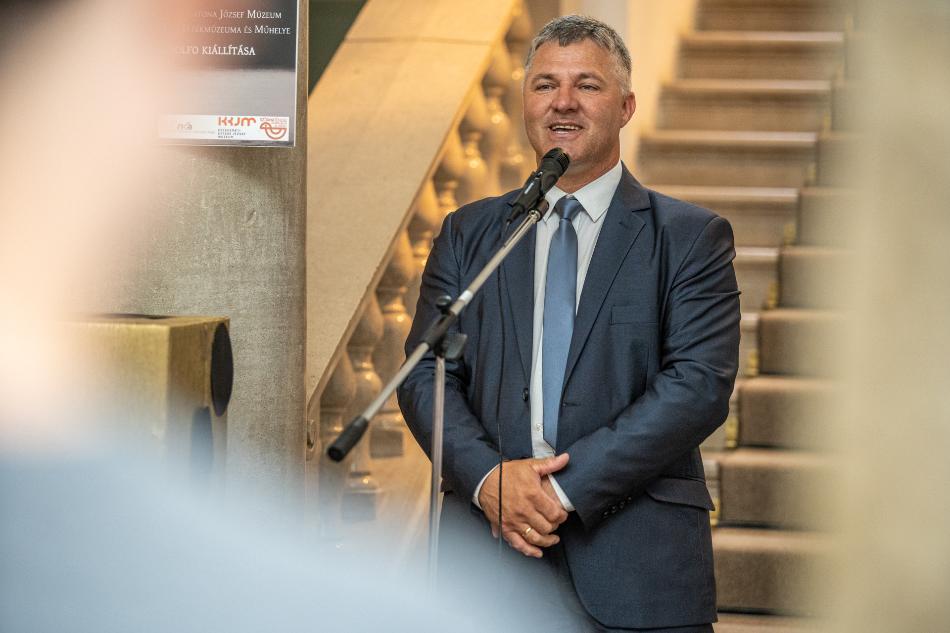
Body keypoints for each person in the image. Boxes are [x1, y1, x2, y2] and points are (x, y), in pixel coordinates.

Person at [398, 14, 740, 632]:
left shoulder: (690, 238)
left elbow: (697, 387)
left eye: (587, 85)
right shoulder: (469, 233)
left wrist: (560, 490)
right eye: (545, 84)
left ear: (626, 106)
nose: (563, 102)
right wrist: (488, 479)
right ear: (525, 103)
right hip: (485, 565)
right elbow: (425, 374)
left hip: (638, 563)